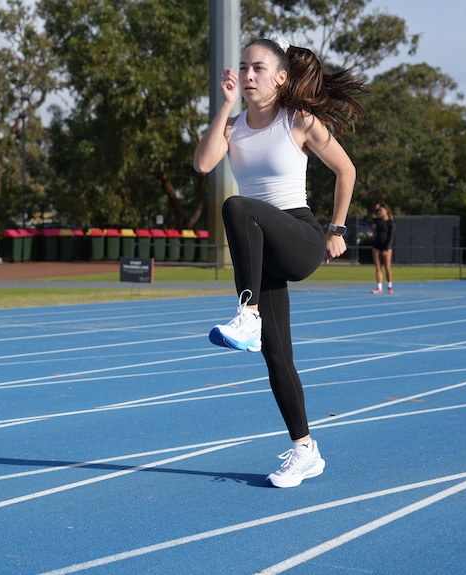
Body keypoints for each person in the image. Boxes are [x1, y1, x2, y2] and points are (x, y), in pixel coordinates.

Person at [193, 37, 366, 488]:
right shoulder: (233, 127)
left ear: (281, 77)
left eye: (258, 69)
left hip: (300, 235)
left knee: (237, 206)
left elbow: (346, 171)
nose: (248, 76)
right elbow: (203, 163)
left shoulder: (299, 120)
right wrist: (224, 108)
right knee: (277, 358)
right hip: (260, 248)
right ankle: (304, 449)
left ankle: (246, 313)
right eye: (243, 68)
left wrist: (337, 230)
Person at [371, 202, 395, 294]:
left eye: (381, 210)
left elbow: (391, 237)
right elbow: (367, 219)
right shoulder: (378, 221)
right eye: (379, 210)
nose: (379, 212)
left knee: (387, 267)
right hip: (377, 246)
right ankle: (379, 287)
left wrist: (387, 248)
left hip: (386, 248)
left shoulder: (391, 223)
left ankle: (389, 286)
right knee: (378, 268)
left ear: (386, 211)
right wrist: (374, 209)